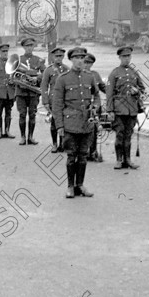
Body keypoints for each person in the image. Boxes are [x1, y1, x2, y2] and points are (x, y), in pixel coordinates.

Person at [51, 47, 99, 199]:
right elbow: (57, 104)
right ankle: (70, 186)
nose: (80, 61)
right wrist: (59, 126)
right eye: (77, 58)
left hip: (87, 124)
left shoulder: (89, 77)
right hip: (70, 124)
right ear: (71, 60)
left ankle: (80, 185)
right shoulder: (63, 79)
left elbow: (96, 95)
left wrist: (95, 106)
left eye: (82, 58)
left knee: (83, 155)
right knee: (71, 156)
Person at [106, 46, 146, 170]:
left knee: (128, 134)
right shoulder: (115, 73)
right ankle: (119, 160)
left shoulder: (134, 72)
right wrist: (110, 110)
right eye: (124, 57)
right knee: (120, 134)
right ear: (119, 57)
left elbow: (142, 89)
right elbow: (109, 93)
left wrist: (137, 91)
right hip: (119, 109)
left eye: (128, 56)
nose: (126, 59)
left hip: (132, 109)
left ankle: (127, 160)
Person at [15, 37, 45, 145]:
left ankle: (31, 137)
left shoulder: (39, 60)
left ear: (33, 47)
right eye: (27, 46)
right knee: (22, 114)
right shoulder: (18, 60)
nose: (29, 48)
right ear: (23, 47)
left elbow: (44, 73)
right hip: (21, 92)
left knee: (32, 115)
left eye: (31, 46)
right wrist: (21, 79)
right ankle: (23, 137)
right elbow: (12, 75)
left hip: (33, 92)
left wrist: (37, 78)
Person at [40, 47, 68, 152]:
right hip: (53, 100)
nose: (58, 58)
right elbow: (44, 86)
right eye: (56, 56)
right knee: (54, 123)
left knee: (63, 123)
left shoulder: (66, 69)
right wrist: (45, 101)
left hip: (65, 100)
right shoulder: (49, 70)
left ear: (63, 57)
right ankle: (54, 144)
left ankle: (62, 144)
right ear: (53, 57)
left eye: (60, 56)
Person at [82, 54, 107, 162]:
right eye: (85, 63)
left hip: (95, 107)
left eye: (89, 63)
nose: (87, 65)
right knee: (82, 130)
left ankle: (93, 151)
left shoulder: (95, 75)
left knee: (94, 130)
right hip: (82, 107)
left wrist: (113, 92)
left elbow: (102, 88)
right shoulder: (78, 75)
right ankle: (83, 152)